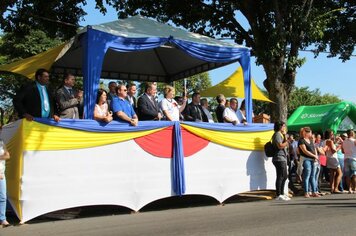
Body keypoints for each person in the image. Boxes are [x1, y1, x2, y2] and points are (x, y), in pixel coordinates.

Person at [271, 121, 290, 201]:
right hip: (279, 158)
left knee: (284, 176)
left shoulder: (281, 134)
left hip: (282, 157)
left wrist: (285, 136)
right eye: (283, 126)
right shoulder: (277, 134)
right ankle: (278, 194)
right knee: (280, 176)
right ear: (280, 127)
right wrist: (286, 142)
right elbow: (280, 145)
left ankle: (282, 193)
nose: (284, 128)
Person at [298, 127, 320, 198]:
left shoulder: (310, 140)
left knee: (313, 176)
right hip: (306, 159)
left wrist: (316, 156)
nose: (310, 133)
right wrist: (314, 155)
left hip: (313, 159)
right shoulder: (301, 141)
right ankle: (306, 192)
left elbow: (314, 148)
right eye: (309, 132)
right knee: (307, 174)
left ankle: (314, 191)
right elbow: (305, 151)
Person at [322, 129, 342, 194]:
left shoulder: (324, 141)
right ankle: (336, 188)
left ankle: (332, 188)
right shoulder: (329, 141)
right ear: (330, 134)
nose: (333, 135)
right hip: (333, 158)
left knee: (332, 173)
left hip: (328, 157)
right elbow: (333, 151)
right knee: (340, 173)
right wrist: (339, 147)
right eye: (332, 134)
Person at [0, 139, 10, 227]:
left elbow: (7, 156)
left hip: (1, 173)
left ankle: (2, 219)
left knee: (3, 197)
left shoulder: (2, 142)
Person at [342, 129, 356, 194]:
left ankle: (349, 189)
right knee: (354, 175)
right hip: (353, 158)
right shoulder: (354, 141)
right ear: (352, 134)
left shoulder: (344, 141)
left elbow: (342, 151)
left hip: (346, 159)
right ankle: (354, 188)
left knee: (348, 175)